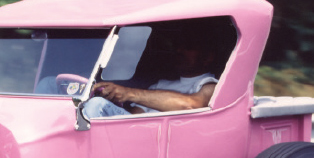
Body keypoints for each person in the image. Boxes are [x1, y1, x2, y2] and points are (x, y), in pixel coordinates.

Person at [81, 41, 219, 118]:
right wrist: (113, 102)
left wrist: (128, 93)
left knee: (96, 104)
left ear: (208, 57)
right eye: (177, 47)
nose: (179, 52)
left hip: (171, 142)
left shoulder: (210, 85)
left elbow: (192, 105)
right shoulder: (160, 85)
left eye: (189, 47)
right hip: (142, 135)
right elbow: (132, 118)